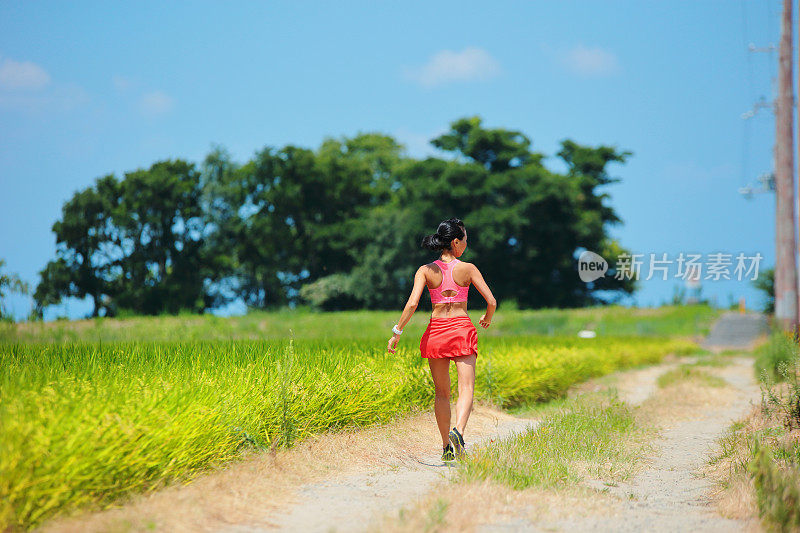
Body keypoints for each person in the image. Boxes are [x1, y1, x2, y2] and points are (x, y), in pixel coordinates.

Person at [387, 217, 497, 463]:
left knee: (441, 393)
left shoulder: (426, 271)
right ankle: (458, 431)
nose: (466, 245)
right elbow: (491, 301)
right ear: (456, 242)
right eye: (465, 241)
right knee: (466, 388)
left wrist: (397, 332)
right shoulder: (468, 269)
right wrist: (487, 318)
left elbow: (413, 303)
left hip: (436, 333)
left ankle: (446, 446)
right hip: (461, 330)